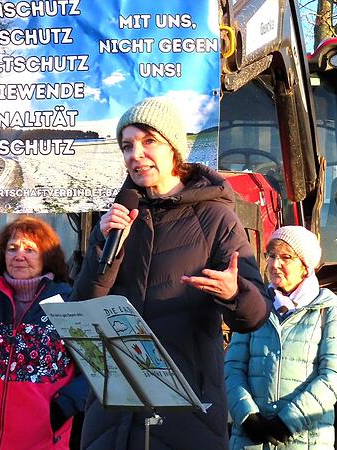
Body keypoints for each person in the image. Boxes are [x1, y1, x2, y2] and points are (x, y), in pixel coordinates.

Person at [71, 96, 270, 450]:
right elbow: (82, 311)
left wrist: (233, 293)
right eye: (127, 146)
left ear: (174, 148)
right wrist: (103, 246)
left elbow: (255, 315)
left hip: (185, 417)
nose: (136, 154)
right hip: (112, 418)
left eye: (149, 141)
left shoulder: (215, 218)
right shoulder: (117, 219)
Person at [0, 216, 87, 450]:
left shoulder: (68, 301)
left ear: (47, 256)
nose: (19, 256)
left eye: (30, 250)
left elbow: (97, 368)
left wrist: (65, 404)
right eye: (12, 248)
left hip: (42, 442)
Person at [224, 226, 337, 449]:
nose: (274, 264)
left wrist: (287, 422)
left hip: (305, 441)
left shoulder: (328, 310)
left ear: (305, 266)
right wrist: (247, 416)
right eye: (271, 256)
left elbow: (334, 376)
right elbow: (232, 367)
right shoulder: (255, 306)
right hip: (250, 441)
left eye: (285, 257)